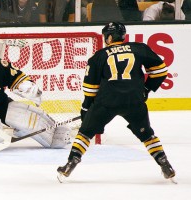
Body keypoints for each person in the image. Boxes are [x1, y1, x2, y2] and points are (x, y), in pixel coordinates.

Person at [57, 22, 175, 182]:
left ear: (109, 37)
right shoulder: (139, 48)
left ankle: (71, 163)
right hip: (134, 101)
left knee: (85, 133)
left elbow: (90, 89)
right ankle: (165, 164)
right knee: (147, 134)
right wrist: (146, 89)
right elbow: (161, 71)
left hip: (107, 102)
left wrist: (86, 110)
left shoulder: (99, 56)